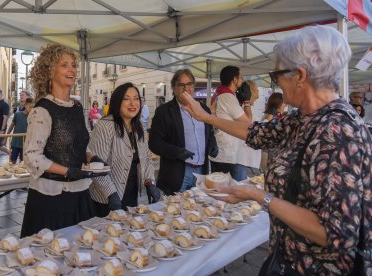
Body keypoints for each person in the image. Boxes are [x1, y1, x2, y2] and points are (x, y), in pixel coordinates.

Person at [179, 25, 372, 275]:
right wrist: (205, 117)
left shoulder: (338, 130)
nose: (276, 82)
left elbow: (334, 233)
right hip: (286, 261)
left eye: (277, 74)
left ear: (300, 75)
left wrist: (259, 196)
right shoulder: (303, 118)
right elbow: (255, 132)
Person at [21, 43, 102, 237]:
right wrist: (68, 171)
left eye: (73, 65)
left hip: (79, 193)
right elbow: (32, 157)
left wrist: (91, 158)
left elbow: (80, 143)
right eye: (64, 65)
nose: (72, 70)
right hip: (51, 199)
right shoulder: (42, 110)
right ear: (49, 71)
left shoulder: (77, 107)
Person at [89, 83, 161, 217]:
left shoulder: (139, 126)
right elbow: (96, 167)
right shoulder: (105, 126)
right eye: (126, 99)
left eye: (136, 98)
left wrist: (150, 182)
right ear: (117, 102)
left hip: (131, 196)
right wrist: (111, 194)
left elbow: (146, 159)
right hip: (107, 199)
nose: (132, 103)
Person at [149, 69, 218, 195]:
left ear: (194, 86)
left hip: (201, 172)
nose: (186, 88)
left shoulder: (204, 109)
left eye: (190, 84)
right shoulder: (164, 112)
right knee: (176, 212)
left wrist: (212, 144)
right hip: (177, 174)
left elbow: (209, 134)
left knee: (198, 209)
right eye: (181, 85)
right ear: (173, 88)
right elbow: (154, 143)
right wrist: (176, 152)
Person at [209, 66, 252, 181]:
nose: (242, 80)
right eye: (241, 77)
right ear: (234, 79)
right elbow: (248, 123)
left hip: (220, 152)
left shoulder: (218, 94)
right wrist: (247, 102)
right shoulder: (228, 97)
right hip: (228, 155)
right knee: (230, 193)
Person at [4, 97, 34, 164]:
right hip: (16, 142)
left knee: (23, 162)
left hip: (26, 144)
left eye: (33, 107)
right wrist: (5, 138)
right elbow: (11, 127)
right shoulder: (18, 114)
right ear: (25, 105)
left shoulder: (33, 117)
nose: (32, 109)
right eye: (30, 107)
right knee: (12, 161)